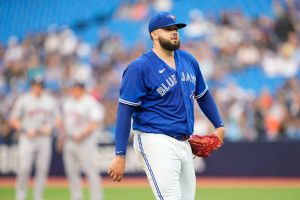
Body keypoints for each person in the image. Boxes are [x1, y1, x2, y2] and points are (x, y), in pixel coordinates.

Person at [108, 12, 225, 200]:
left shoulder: (188, 60)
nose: (174, 32)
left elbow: (203, 95)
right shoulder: (139, 68)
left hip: (184, 141)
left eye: (176, 29)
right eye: (168, 29)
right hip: (155, 140)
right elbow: (124, 111)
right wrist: (120, 154)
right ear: (154, 34)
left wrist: (219, 125)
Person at [9, 76, 60, 200]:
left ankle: (38, 197)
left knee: (42, 170)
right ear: (32, 86)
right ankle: (20, 196)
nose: (38, 88)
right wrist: (25, 129)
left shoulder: (50, 100)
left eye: (40, 85)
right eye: (36, 85)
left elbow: (58, 119)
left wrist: (51, 127)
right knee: (24, 169)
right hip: (27, 138)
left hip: (44, 138)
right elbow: (13, 119)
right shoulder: (24, 100)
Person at [58, 81, 105, 200]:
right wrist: (62, 137)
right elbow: (64, 122)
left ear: (82, 89)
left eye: (76, 88)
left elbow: (95, 121)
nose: (73, 91)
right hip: (70, 141)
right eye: (72, 88)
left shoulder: (90, 102)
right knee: (72, 173)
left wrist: (83, 134)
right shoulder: (68, 102)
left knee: (91, 172)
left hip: (85, 142)